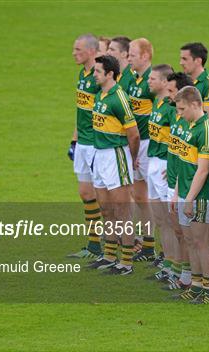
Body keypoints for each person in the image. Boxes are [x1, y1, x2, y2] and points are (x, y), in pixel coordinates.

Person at [87, 55, 141, 275]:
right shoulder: (101, 95)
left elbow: (134, 134)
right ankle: (109, 255)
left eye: (98, 71)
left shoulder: (119, 98)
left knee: (122, 210)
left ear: (110, 74)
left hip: (115, 156)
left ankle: (126, 262)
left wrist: (132, 158)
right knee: (106, 209)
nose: (94, 75)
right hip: (99, 156)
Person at [179, 42, 209, 274]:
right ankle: (203, 270)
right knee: (200, 215)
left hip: (204, 153)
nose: (181, 62)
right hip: (191, 151)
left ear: (198, 61)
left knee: (204, 206)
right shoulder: (189, 85)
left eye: (185, 59)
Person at [171, 86, 209, 304]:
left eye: (182, 109)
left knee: (201, 241)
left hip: (199, 196)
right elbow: (183, 163)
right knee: (190, 240)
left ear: (195, 104)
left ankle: (208, 290)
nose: (179, 113)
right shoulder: (188, 124)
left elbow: (203, 169)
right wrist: (177, 193)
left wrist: (189, 199)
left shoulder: (206, 130)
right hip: (185, 193)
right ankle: (196, 285)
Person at [66, 34, 103, 260]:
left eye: (78, 49)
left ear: (91, 51)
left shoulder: (100, 77)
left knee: (106, 198)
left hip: (97, 144)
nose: (73, 53)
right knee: (85, 193)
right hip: (83, 143)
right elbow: (81, 110)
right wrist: (74, 139)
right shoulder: (82, 75)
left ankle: (111, 245)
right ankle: (93, 245)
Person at [146, 64, 179, 281]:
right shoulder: (157, 104)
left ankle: (175, 267)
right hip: (153, 163)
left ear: (165, 82)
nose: (149, 81)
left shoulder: (170, 108)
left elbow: (177, 141)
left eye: (153, 78)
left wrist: (173, 166)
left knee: (169, 221)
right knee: (159, 220)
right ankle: (167, 263)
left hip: (165, 165)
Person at [162, 72, 194, 291]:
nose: (169, 96)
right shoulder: (177, 117)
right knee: (177, 230)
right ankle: (180, 272)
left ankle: (188, 277)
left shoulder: (189, 123)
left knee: (186, 234)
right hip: (172, 182)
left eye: (172, 91)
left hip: (183, 187)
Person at [127, 38, 156, 262]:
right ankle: (146, 244)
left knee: (155, 198)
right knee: (139, 196)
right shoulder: (136, 80)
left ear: (145, 56)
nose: (129, 58)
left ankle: (154, 246)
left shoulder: (152, 81)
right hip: (136, 144)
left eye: (133, 54)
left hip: (148, 145)